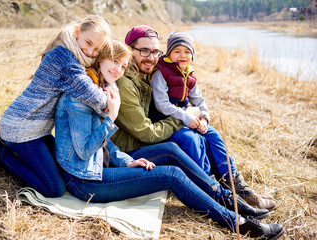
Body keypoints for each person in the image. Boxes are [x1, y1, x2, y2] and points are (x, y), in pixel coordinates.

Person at [55, 40, 284, 239]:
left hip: (100, 166)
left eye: (123, 66)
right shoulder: (79, 98)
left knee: (170, 149)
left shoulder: (102, 88)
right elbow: (84, 151)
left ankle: (231, 200)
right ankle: (238, 223)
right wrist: (111, 118)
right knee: (171, 175)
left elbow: (106, 144)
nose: (118, 70)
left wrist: (125, 161)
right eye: (114, 62)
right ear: (101, 60)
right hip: (85, 181)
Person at [111, 25, 276, 211]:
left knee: (207, 138)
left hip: (151, 137)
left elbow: (188, 97)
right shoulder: (125, 82)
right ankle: (216, 194)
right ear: (129, 50)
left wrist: (200, 117)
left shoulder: (148, 74)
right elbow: (145, 132)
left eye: (155, 51)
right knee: (189, 140)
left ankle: (238, 189)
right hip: (131, 150)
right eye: (144, 51)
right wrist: (184, 117)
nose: (151, 57)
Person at [0, 15, 112, 197]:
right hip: (21, 129)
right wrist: (113, 101)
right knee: (54, 188)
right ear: (77, 33)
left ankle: (12, 150)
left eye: (97, 50)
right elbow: (97, 99)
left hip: (35, 129)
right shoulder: (65, 60)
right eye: (88, 43)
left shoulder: (69, 55)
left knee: (62, 168)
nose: (90, 52)